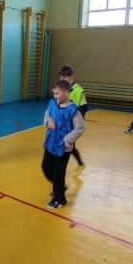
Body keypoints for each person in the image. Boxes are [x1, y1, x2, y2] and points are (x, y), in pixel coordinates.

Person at [42, 80, 85, 210]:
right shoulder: (52, 103)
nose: (54, 96)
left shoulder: (73, 110)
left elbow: (80, 128)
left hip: (63, 148)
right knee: (46, 167)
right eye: (54, 93)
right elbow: (47, 114)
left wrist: (67, 140)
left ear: (66, 93)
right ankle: (60, 186)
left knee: (58, 172)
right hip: (50, 143)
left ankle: (60, 198)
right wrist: (48, 121)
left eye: (57, 93)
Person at [58, 65, 88, 175]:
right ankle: (80, 163)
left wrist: (76, 125)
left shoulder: (78, 90)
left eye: (65, 77)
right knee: (68, 147)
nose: (63, 79)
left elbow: (84, 108)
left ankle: (60, 173)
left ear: (72, 77)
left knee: (67, 147)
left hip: (73, 126)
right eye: (61, 77)